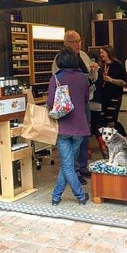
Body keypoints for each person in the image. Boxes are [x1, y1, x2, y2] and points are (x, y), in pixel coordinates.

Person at [53, 30, 98, 185]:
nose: (79, 44)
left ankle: (83, 166)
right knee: (73, 139)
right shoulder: (60, 59)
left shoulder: (84, 56)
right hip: (68, 106)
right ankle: (74, 171)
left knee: (85, 135)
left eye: (80, 41)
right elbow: (59, 82)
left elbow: (92, 80)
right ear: (66, 43)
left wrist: (93, 71)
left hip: (84, 102)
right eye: (75, 41)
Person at [47, 47, 90, 206]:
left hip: (63, 127)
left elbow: (50, 103)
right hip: (80, 127)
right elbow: (85, 100)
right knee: (69, 163)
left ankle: (73, 196)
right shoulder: (83, 78)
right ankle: (58, 196)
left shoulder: (56, 78)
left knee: (67, 164)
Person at [99, 45, 127, 133]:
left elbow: (124, 83)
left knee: (111, 120)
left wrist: (111, 80)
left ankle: (119, 139)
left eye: (102, 52)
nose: (101, 54)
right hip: (103, 97)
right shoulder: (101, 66)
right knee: (103, 120)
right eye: (100, 53)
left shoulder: (118, 65)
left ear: (108, 52)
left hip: (115, 96)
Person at [87, 49, 107, 158]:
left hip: (88, 102)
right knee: (96, 125)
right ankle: (103, 148)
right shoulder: (100, 71)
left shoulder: (88, 71)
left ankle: (88, 150)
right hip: (98, 102)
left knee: (87, 127)